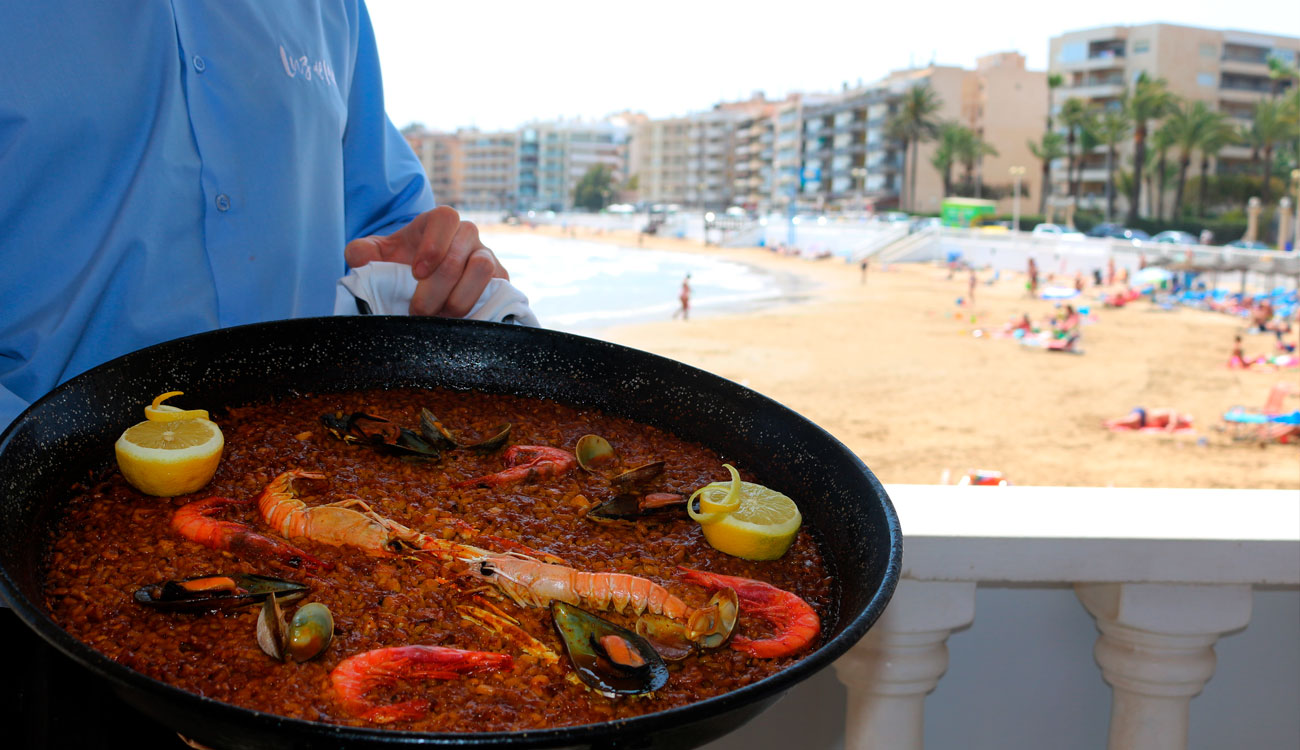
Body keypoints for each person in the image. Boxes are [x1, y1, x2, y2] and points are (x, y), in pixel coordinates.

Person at [0, 2, 508, 434]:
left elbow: (387, 217)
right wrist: (36, 465)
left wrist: (437, 267)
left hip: (313, 458)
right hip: (39, 491)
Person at [1105, 407, 1194, 432]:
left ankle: (1113, 425)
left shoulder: (1174, 424)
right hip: (1143, 414)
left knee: (1130, 425)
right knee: (1131, 420)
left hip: (1143, 424)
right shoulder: (1174, 415)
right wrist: (1172, 424)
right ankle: (1110, 422)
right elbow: (1172, 411)